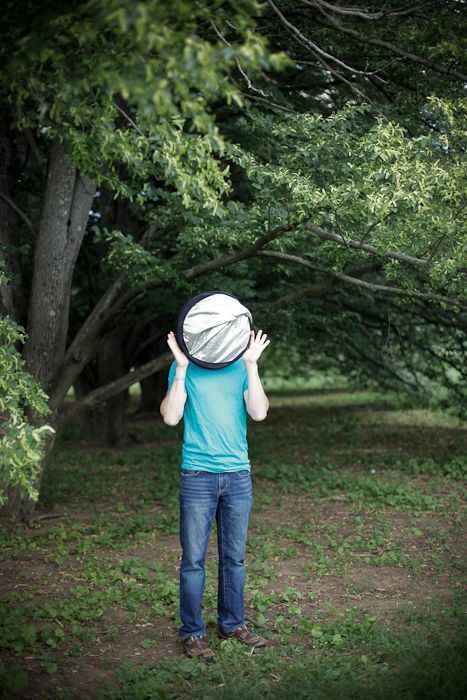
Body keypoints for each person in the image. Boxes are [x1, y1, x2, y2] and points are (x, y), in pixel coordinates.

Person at [160, 328, 271, 661]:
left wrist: (251, 364)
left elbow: (260, 412)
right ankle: (193, 633)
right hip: (197, 475)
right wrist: (179, 368)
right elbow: (170, 416)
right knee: (193, 561)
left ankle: (232, 624)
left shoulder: (241, 366)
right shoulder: (184, 368)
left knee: (233, 558)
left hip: (237, 475)